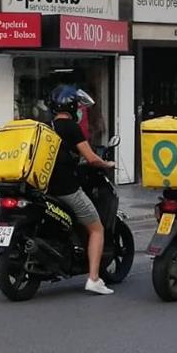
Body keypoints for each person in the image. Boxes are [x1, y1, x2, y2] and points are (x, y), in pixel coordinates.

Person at [44, 85, 117, 295]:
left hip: (45, 187)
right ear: (73, 106)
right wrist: (107, 164)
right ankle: (93, 278)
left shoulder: (47, 127)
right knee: (97, 228)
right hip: (67, 188)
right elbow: (91, 158)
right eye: (78, 106)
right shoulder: (71, 128)